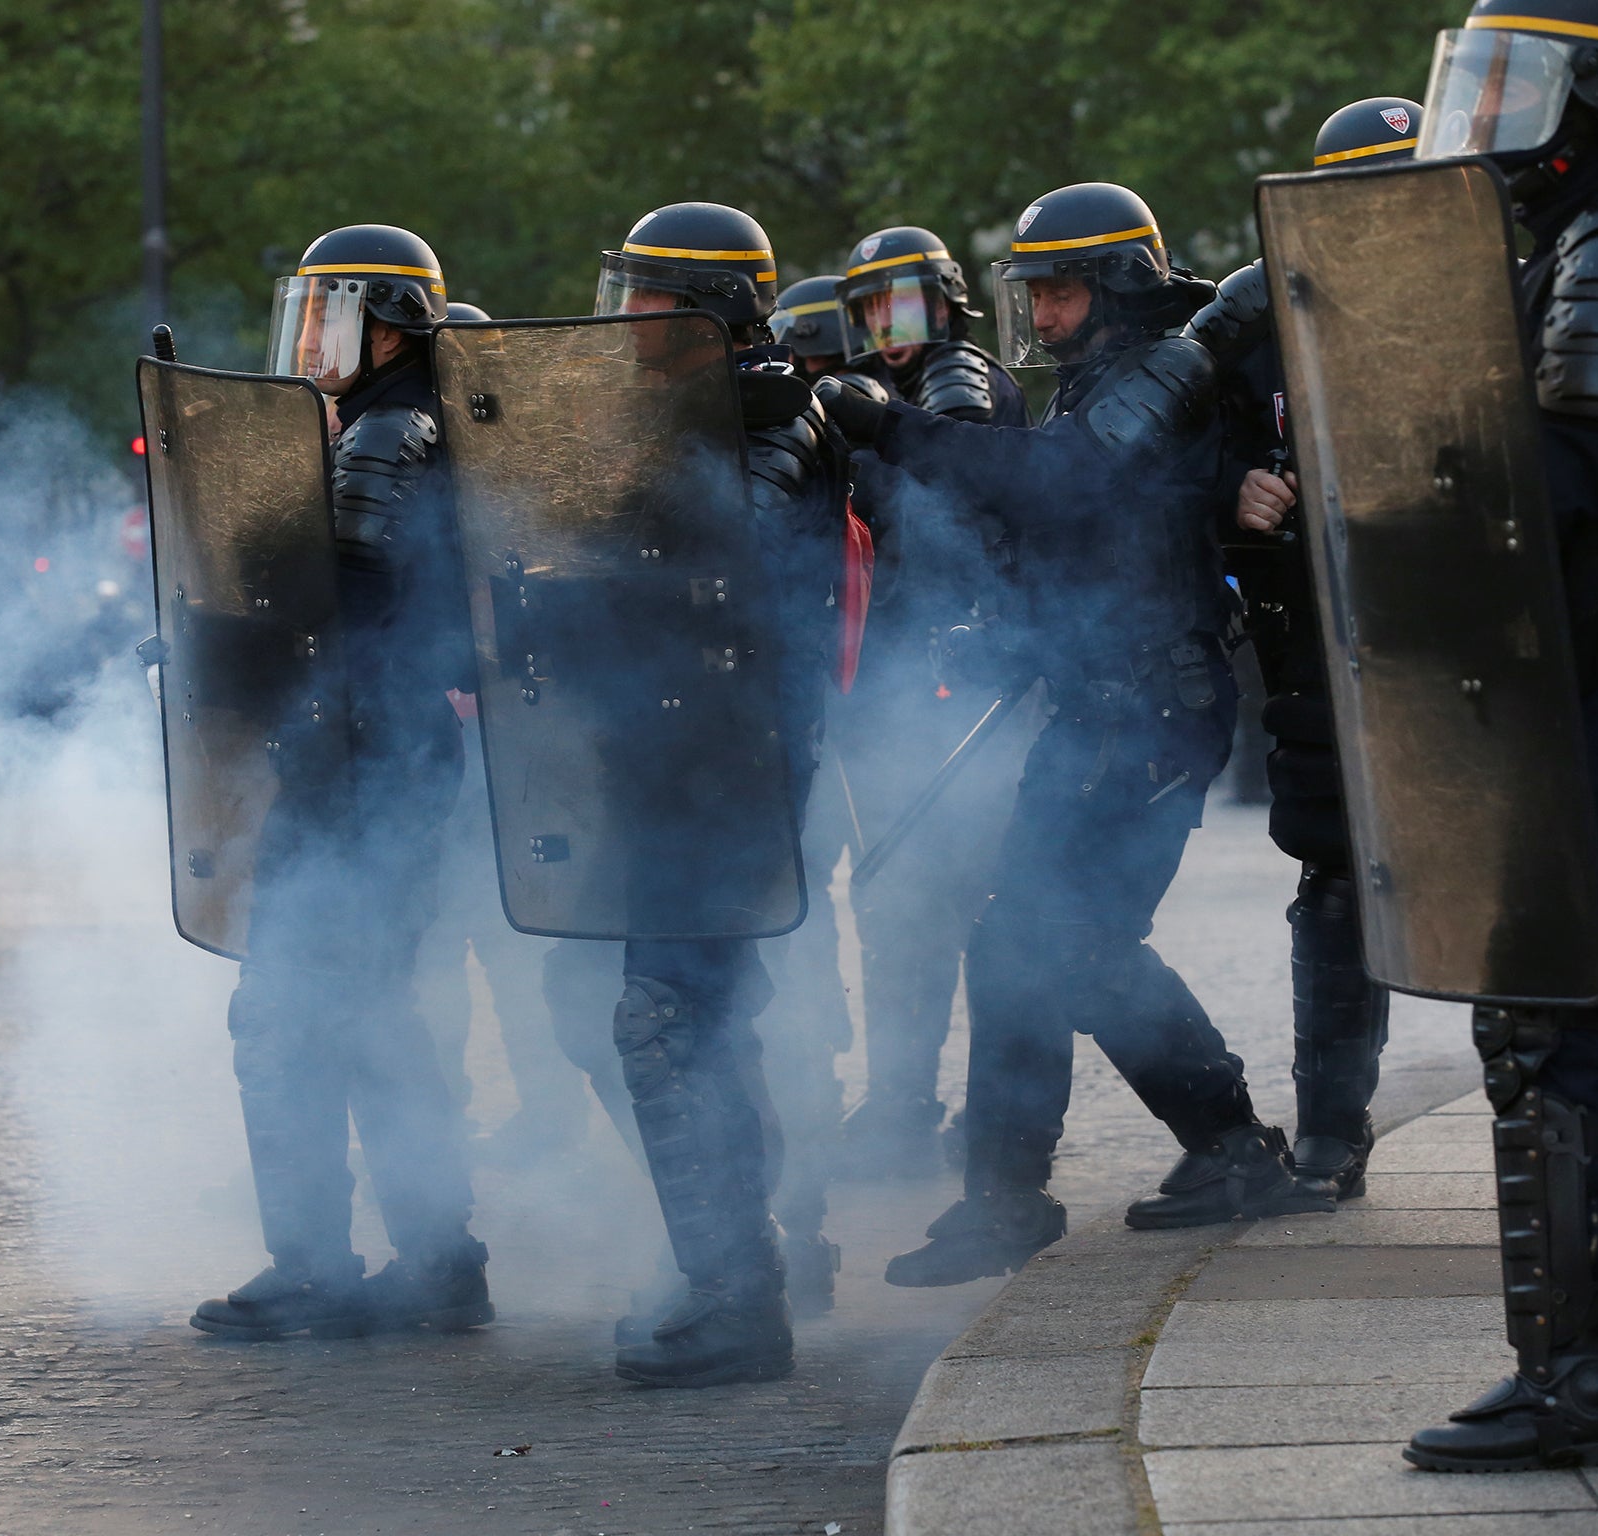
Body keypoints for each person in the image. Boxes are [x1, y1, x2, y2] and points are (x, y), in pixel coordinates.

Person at [817, 183, 1316, 1288]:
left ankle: (1121, 1174)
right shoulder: (1115, 379)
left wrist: (887, 426)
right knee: (1037, 941)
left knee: (1060, 942)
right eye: (1030, 295)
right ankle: (1187, 1159)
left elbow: (1058, 484)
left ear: (1116, 286)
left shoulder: (1154, 378)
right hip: (1102, 702)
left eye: (1057, 292)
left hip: (1147, 711)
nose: (1038, 318)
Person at [1390, 0, 1598, 1474]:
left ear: (1592, 91)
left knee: (1547, 1017)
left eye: (1510, 79)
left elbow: (1554, 478)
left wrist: (1389, 521)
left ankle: (1573, 1379)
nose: (1487, 111)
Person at [188, 223, 492, 1344]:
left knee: (287, 1012)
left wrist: (213, 626)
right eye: (304, 315)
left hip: (367, 761)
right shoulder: (392, 422)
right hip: (373, 754)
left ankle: (322, 1269)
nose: (310, 339)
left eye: (331, 316)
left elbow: (333, 588)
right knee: (368, 1014)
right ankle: (439, 1255)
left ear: (390, 323)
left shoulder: (387, 431)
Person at [563, 201, 850, 1381]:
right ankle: (748, 1268)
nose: (623, 320)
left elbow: (730, 547)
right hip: (677, 762)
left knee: (665, 1019)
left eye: (645, 299)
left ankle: (740, 1299)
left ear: (707, 312)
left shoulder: (775, 411)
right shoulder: (688, 414)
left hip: (730, 766)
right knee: (698, 1024)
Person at [1182, 96, 1424, 1204]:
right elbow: (1200, 461)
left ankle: (1560, 1121)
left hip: (1461, 637)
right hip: (1320, 647)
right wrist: (1236, 490)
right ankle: (1332, 1125)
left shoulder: (1487, 303)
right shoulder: (1264, 326)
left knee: (1538, 888)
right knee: (1332, 877)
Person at [825, 226, 1033, 1177]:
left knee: (982, 907)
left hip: (966, 690)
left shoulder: (957, 385)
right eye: (872, 307)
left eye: (902, 302)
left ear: (943, 304)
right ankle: (905, 1104)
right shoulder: (876, 397)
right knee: (895, 905)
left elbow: (965, 486)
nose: (886, 323)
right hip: (895, 691)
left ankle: (1001, 1132)